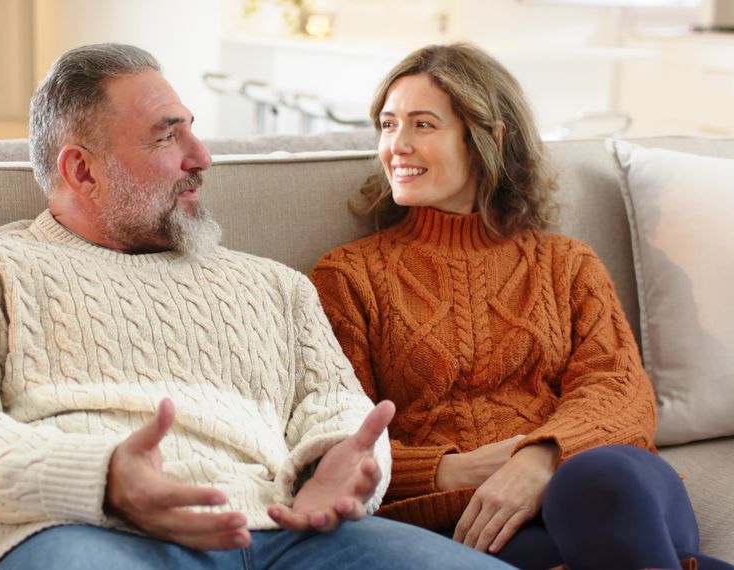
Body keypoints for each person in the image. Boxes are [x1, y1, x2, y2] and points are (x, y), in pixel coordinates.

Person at [0, 43, 508, 570]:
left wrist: (337, 459)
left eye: (192, 131)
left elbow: (335, 403)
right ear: (82, 171)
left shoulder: (273, 285)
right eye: (166, 138)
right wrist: (102, 480)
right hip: (93, 532)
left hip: (291, 530)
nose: (201, 158)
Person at [311, 42, 732, 570]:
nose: (397, 145)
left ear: (490, 137)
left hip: (613, 483)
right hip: (477, 520)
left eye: (422, 125)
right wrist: (453, 470)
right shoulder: (349, 278)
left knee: (597, 483)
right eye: (388, 124)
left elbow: (621, 393)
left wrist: (542, 456)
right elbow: (336, 440)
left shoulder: (566, 263)